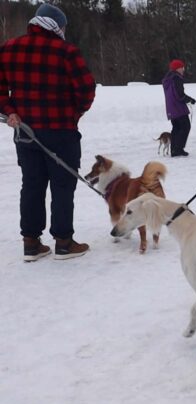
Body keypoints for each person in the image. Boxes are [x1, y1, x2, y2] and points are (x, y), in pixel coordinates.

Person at [0, 3, 95, 261]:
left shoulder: (8, 48)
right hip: (61, 132)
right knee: (63, 186)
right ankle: (63, 242)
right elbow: (86, 91)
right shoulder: (67, 52)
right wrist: (74, 114)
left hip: (26, 133)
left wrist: (10, 111)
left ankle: (31, 243)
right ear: (57, 26)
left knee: (32, 184)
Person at [162, 59, 196, 157]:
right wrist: (189, 99)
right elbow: (179, 94)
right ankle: (178, 149)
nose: (183, 69)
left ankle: (174, 149)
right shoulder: (176, 78)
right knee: (185, 127)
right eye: (182, 67)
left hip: (171, 108)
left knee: (176, 128)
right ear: (177, 68)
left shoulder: (168, 78)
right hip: (178, 107)